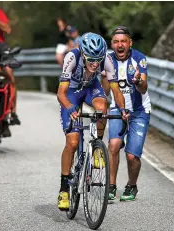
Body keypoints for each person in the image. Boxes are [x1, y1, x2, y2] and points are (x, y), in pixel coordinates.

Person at [57, 32, 129, 210]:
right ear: (82, 53)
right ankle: (64, 189)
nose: (95, 64)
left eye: (98, 59)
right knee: (72, 143)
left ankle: (96, 145)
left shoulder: (107, 60)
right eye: (91, 59)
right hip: (72, 92)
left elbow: (115, 90)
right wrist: (70, 108)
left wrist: (123, 109)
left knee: (102, 107)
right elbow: (61, 93)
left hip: (90, 88)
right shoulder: (71, 57)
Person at [101, 26, 151, 201]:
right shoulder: (107, 60)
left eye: (123, 41)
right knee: (113, 145)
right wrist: (104, 78)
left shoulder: (139, 59)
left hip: (139, 111)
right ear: (112, 44)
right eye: (116, 42)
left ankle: (131, 185)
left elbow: (144, 88)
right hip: (116, 108)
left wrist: (138, 81)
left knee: (132, 156)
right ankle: (111, 186)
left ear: (130, 43)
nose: (120, 45)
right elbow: (105, 92)